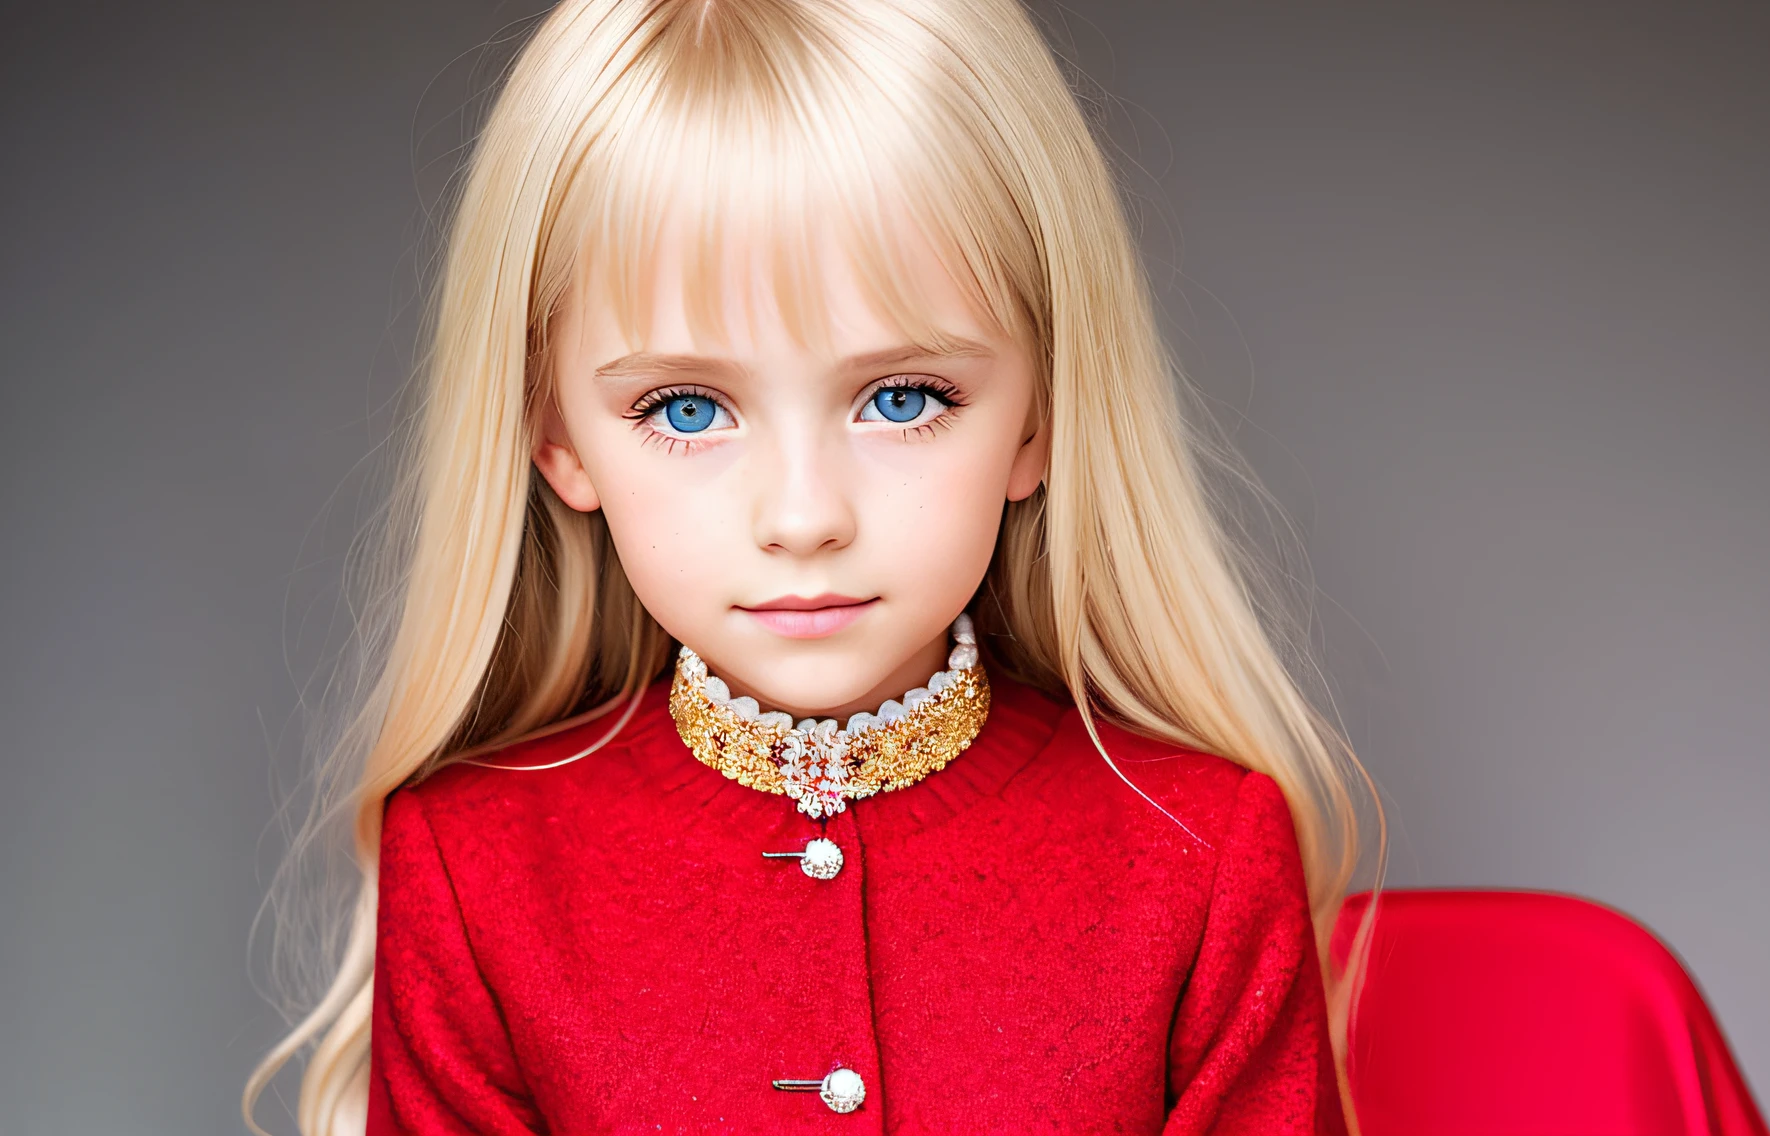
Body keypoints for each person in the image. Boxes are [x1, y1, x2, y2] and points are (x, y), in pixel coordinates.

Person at [244, 1, 1384, 1132]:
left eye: (902, 398)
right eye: (685, 407)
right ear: (554, 437)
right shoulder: (476, 871)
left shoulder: (1196, 857)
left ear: (1039, 418)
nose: (802, 516)